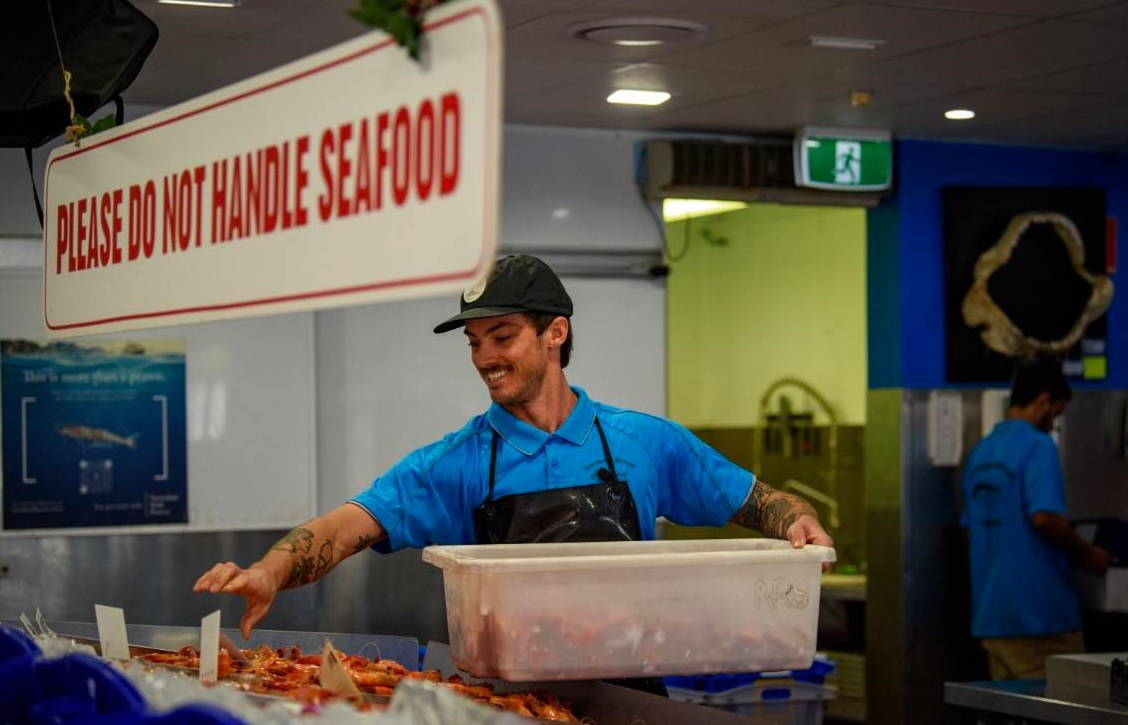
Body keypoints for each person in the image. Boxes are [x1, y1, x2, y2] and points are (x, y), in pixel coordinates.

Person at [195, 255, 835, 647]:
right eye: (474, 342)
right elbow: (344, 528)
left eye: (501, 337)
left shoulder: (645, 441)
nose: (484, 358)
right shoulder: (456, 463)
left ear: (556, 332)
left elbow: (757, 501)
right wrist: (271, 570)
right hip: (510, 700)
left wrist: (795, 520)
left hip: (633, 686)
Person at [961, 357, 1113, 680]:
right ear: (1043, 401)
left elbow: (971, 532)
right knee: (1062, 702)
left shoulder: (981, 452)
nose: (1053, 426)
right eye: (1055, 416)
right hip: (1041, 619)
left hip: (991, 619)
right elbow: (1044, 517)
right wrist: (1089, 554)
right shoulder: (1038, 446)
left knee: (1008, 705)